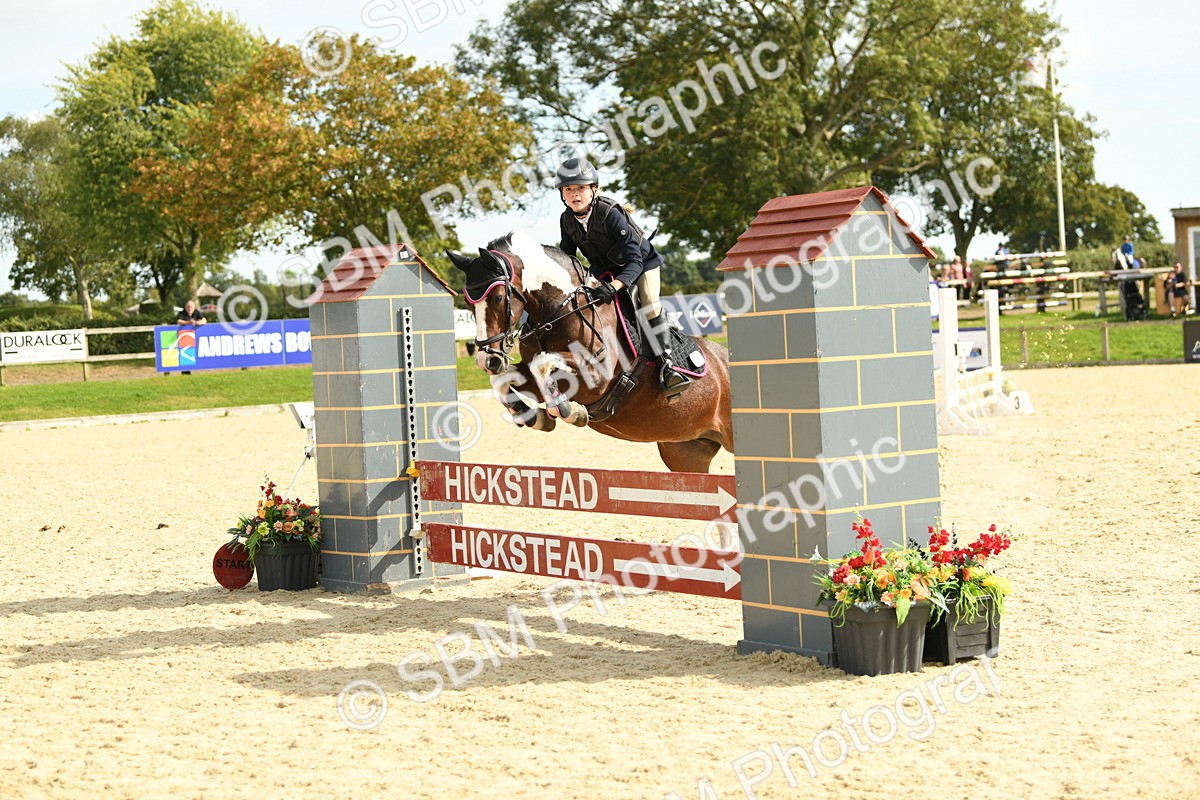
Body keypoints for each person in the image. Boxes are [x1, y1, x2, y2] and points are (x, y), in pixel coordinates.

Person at [554, 157, 686, 392]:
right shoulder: (566, 220)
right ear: (562, 194)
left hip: (642, 265)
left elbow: (634, 261)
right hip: (605, 272)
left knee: (649, 303)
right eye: (569, 189)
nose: (575, 194)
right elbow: (568, 259)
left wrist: (614, 286)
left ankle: (668, 366)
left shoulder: (610, 214)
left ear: (593, 189)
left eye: (581, 188)